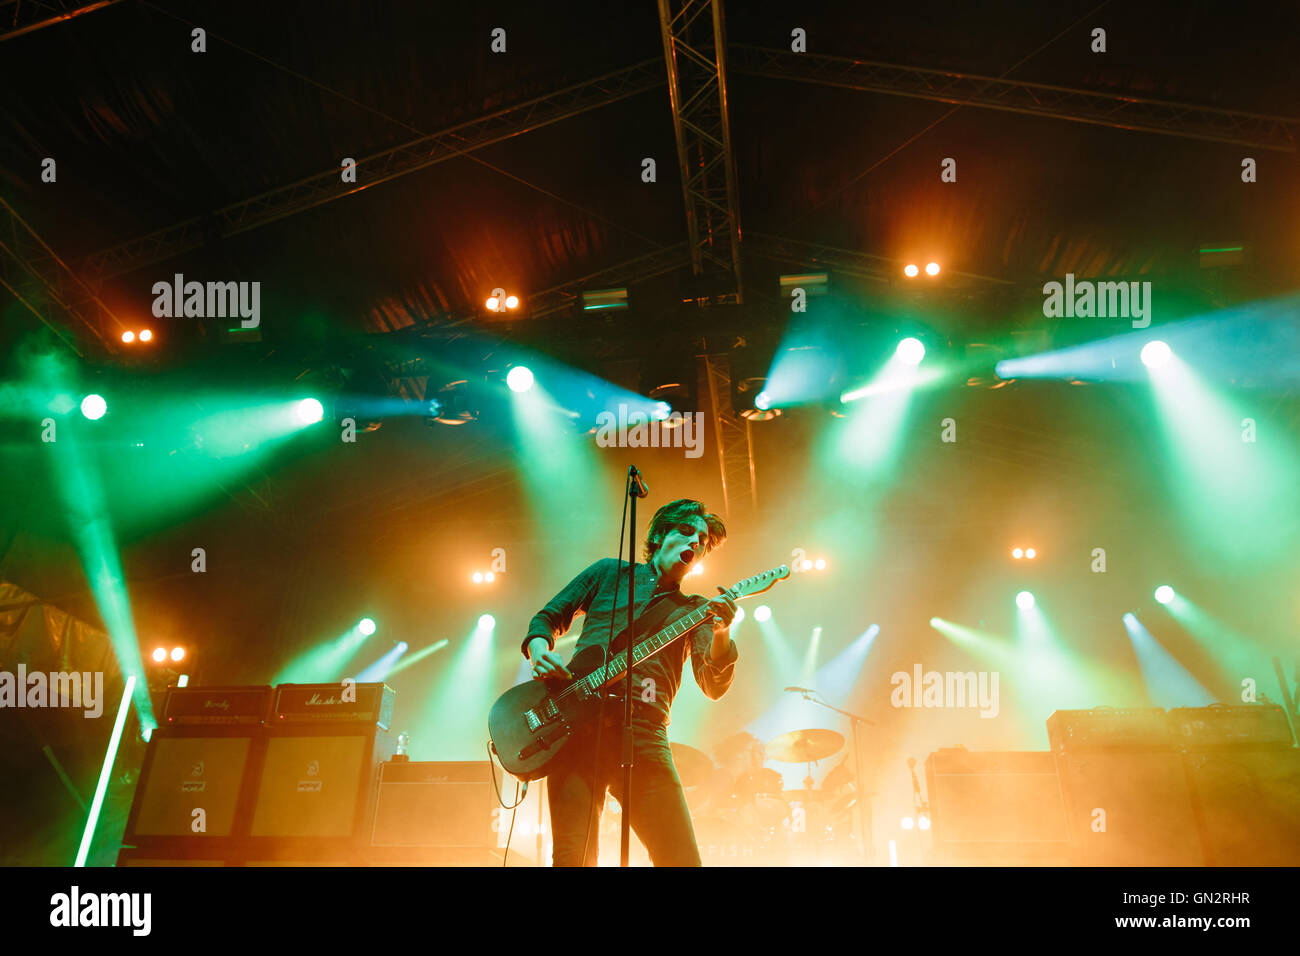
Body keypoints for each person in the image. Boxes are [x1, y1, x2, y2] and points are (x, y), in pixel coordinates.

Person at [521, 498, 738, 866]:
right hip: (576, 728)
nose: (695, 543)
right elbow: (547, 617)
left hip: (643, 732)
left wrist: (722, 632)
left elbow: (713, 685)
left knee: (680, 859)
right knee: (573, 858)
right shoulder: (608, 573)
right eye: (686, 531)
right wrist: (540, 649)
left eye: (702, 541)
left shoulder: (697, 610)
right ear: (658, 534)